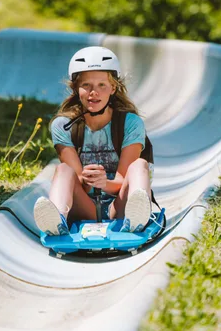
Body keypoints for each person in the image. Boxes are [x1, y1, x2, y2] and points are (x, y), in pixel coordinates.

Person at [33, 46, 153, 236]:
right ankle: (56, 220)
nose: (93, 92)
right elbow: (77, 181)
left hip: (118, 206)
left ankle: (137, 218)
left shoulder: (130, 123)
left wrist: (104, 182)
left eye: (101, 85)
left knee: (139, 165)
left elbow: (122, 180)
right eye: (86, 85)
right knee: (63, 170)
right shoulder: (63, 125)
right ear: (76, 88)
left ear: (113, 88)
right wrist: (89, 180)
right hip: (84, 206)